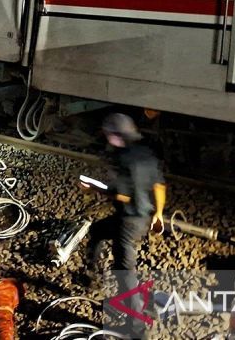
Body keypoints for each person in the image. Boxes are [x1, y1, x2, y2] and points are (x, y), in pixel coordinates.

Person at [82, 113, 165, 339]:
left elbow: (123, 197)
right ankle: (94, 276)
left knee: (125, 275)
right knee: (97, 230)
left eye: (110, 135)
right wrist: (158, 214)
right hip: (145, 218)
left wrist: (94, 188)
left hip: (128, 223)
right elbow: (159, 186)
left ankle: (137, 330)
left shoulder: (123, 159)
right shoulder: (147, 153)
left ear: (117, 136)